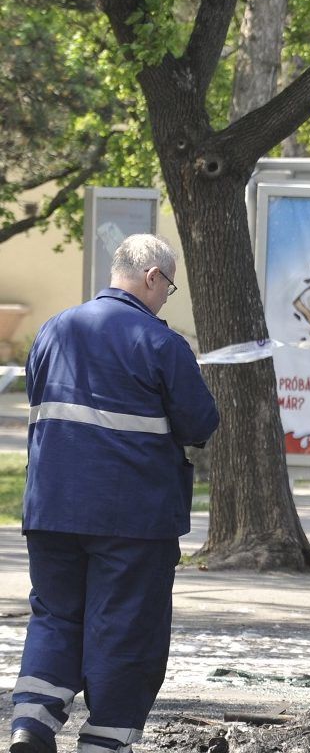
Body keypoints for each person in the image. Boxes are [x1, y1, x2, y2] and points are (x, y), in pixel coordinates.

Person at [9, 235, 219, 753]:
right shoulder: (161, 344)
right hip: (133, 518)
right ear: (152, 277)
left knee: (56, 617)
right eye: (169, 287)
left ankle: (31, 726)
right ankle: (104, 741)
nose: (166, 297)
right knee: (126, 626)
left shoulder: (55, 328)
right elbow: (200, 424)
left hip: (52, 509)